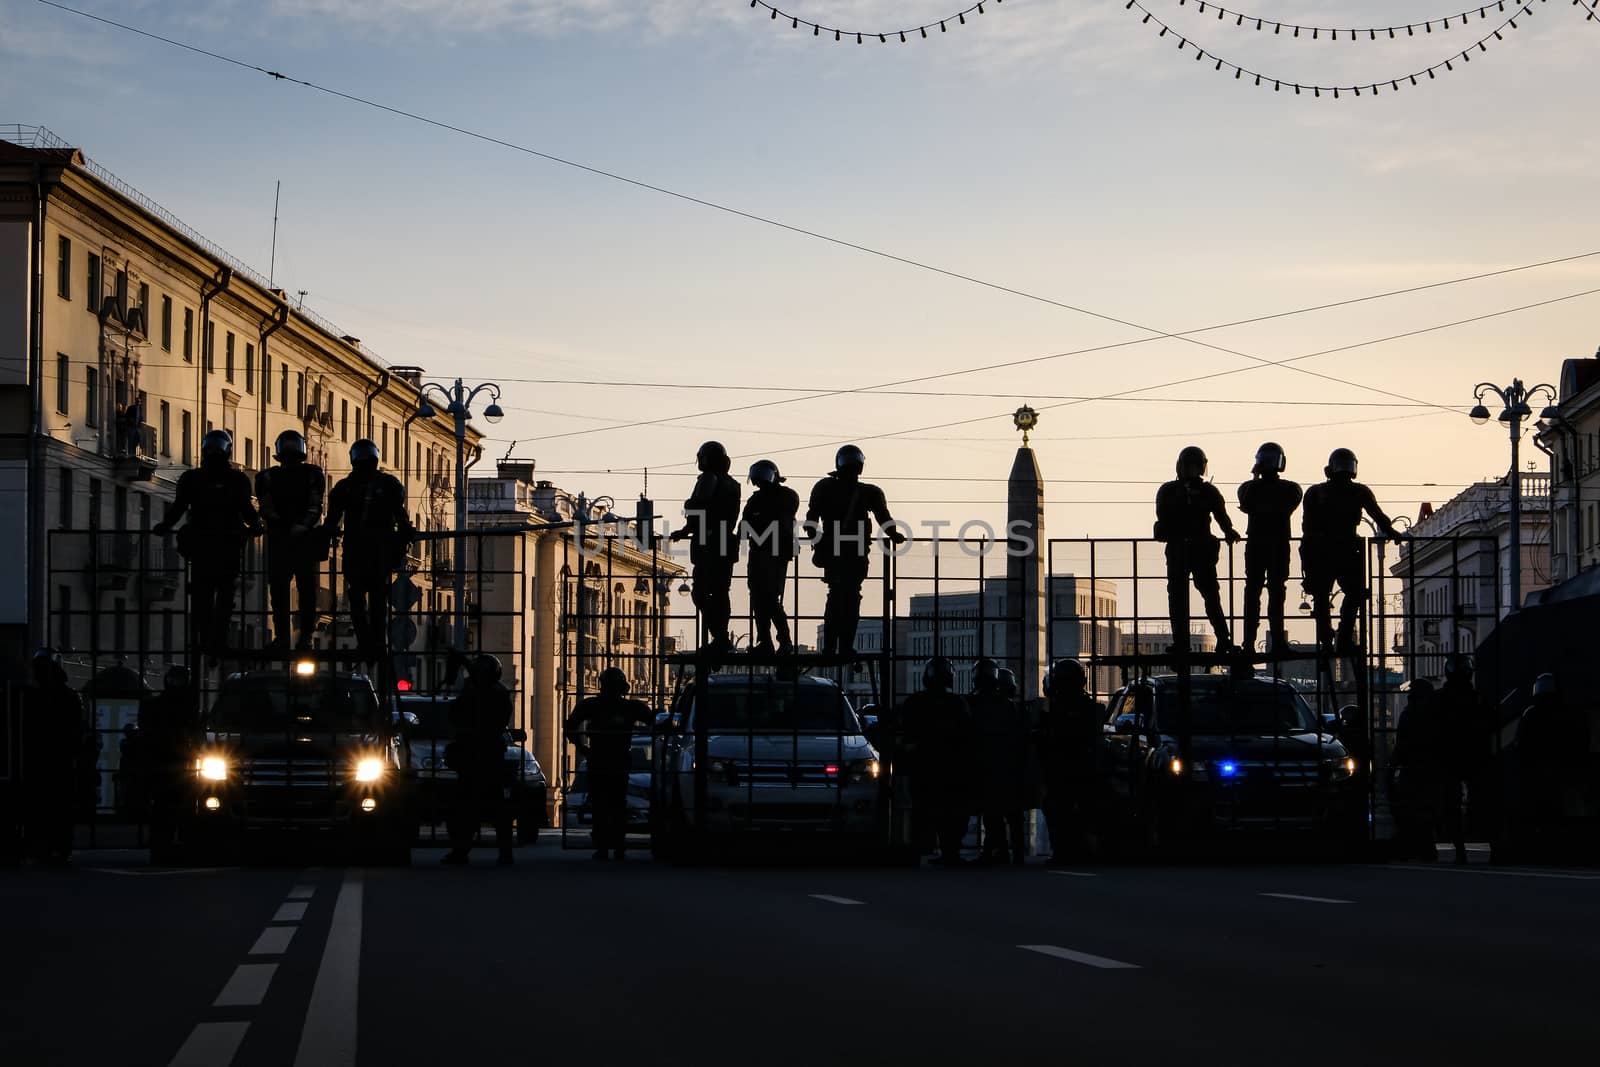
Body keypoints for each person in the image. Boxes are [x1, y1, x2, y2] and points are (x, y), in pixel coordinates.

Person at [153, 429, 262, 658]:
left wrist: (165, 525)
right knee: (223, 595)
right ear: (228, 450)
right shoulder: (236, 479)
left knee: (204, 595)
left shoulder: (193, 478)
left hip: (203, 545)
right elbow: (246, 508)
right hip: (225, 545)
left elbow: (179, 506)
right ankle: (217, 641)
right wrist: (256, 526)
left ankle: (205, 638)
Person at [1300, 448, 1407, 655]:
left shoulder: (1316, 492)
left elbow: (1307, 528)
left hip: (1323, 551)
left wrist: (1308, 559)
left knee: (1323, 596)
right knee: (1353, 593)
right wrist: (1393, 532)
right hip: (1346, 549)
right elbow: (1378, 515)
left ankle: (1328, 638)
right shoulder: (1359, 491)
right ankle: (1343, 636)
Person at [806, 445, 904, 657]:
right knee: (849, 599)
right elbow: (883, 517)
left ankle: (832, 647)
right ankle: (844, 646)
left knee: (837, 598)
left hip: (837, 552)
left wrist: (816, 540)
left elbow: (811, 519)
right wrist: (894, 534)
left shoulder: (825, 488)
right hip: (855, 553)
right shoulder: (869, 492)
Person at [325, 439, 413, 664]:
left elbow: (332, 520)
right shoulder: (388, 484)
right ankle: (375, 642)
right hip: (378, 550)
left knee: (358, 597)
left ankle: (367, 641)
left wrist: (325, 535)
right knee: (376, 598)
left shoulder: (345, 487)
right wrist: (404, 536)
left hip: (357, 549)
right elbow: (401, 516)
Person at [1154, 446, 1241, 653]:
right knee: (1191, 597)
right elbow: (1221, 516)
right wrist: (1228, 531)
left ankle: (1216, 639)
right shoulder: (1200, 491)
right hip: (1189, 549)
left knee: (1199, 596)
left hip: (1191, 549)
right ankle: (1207, 640)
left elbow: (1221, 515)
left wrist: (1228, 530)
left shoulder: (1173, 490)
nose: (1190, 470)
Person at [564, 667, 654, 861]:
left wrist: (582, 748)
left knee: (603, 803)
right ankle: (615, 846)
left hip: (603, 759)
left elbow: (570, 726)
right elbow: (654, 721)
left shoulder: (594, 705)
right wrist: (583, 748)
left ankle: (606, 846)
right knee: (614, 803)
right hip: (613, 760)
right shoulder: (629, 707)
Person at [255, 429, 326, 651]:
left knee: (292, 590)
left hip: (287, 538)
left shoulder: (268, 477)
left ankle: (292, 637)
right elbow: (314, 506)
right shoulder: (311, 474)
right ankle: (296, 637)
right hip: (296, 538)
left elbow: (267, 508)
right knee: (295, 590)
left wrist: (287, 526)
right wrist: (300, 526)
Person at [443, 654, 516, 866]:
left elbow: (460, 713)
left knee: (482, 808)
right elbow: (456, 714)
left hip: (484, 758)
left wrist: (465, 663)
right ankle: (464, 851)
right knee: (467, 809)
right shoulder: (488, 691)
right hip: (478, 758)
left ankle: (494, 852)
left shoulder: (493, 693)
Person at [669, 442, 741, 655]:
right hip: (726, 541)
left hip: (708, 543)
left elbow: (699, 507)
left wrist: (686, 529)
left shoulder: (709, 478)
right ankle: (721, 636)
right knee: (720, 592)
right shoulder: (733, 484)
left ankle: (719, 637)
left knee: (700, 591)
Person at [899, 657, 972, 866]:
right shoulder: (957, 703)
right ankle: (950, 852)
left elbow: (906, 733)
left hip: (923, 766)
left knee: (922, 810)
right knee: (952, 813)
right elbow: (967, 735)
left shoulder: (915, 702)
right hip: (952, 768)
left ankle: (916, 851)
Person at [19, 649, 87, 864]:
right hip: (58, 759)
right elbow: (77, 729)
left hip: (43, 759)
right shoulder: (66, 696)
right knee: (58, 806)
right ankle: (56, 845)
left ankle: (45, 845)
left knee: (43, 805)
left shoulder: (33, 695)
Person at [1236, 442, 1303, 656]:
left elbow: (1245, 504)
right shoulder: (1291, 489)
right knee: (1275, 593)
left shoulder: (1249, 487)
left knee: (1254, 592)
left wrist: (1255, 479)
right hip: (1277, 544)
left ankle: (1249, 643)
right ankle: (1275, 642)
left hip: (1258, 544)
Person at [1039, 659, 1104, 865]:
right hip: (1084, 767)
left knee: (1058, 810)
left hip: (1060, 768)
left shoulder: (1052, 710)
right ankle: (1086, 851)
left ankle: (1062, 852)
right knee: (1085, 810)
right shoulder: (1092, 708)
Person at [1514, 673, 1587, 857]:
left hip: (1539, 769)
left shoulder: (1531, 714)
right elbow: (1580, 740)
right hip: (1559, 768)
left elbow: (1520, 743)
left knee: (1536, 807)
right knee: (1557, 808)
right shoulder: (1567, 714)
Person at [1435, 653, 1492, 863]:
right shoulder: (1477, 698)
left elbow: (1431, 729)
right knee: (1482, 799)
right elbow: (1490, 723)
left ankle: (1459, 845)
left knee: (1451, 802)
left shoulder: (1440, 698)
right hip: (1474, 755)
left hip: (1448, 757)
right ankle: (1491, 841)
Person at [970, 658, 1027, 865]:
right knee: (1012, 812)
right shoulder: (1010, 707)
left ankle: (998, 851)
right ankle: (1016, 853)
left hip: (986, 766)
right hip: (1009, 766)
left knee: (992, 812)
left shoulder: (974, 706)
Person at [138, 665, 199, 858]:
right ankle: (182, 843)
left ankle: (162, 844)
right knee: (182, 805)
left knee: (163, 806)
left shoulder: (155, 705)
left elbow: (146, 734)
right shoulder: (188, 706)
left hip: (164, 763)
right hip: (180, 763)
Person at [741, 459, 798, 655]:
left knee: (770, 599)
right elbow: (744, 526)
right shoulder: (756, 500)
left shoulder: (787, 496)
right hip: (759, 553)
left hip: (774, 554)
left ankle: (784, 640)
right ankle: (766, 641)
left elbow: (781, 520)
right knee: (758, 599)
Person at [1391, 679, 1443, 862]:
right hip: (1431, 768)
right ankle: (1427, 847)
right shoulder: (1436, 714)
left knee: (1410, 809)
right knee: (1427, 809)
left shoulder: (1409, 715)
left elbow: (1401, 744)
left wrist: (1392, 767)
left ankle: (1413, 847)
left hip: (1412, 768)